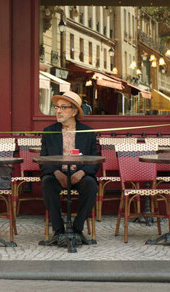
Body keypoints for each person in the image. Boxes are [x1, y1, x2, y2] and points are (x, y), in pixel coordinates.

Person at [39, 91, 99, 241]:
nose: (58, 111)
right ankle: (58, 230)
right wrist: (56, 173)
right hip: (57, 174)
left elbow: (95, 159)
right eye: (56, 107)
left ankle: (77, 229)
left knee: (91, 185)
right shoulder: (49, 132)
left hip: (79, 174)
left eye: (63, 107)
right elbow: (43, 159)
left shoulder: (87, 132)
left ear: (74, 111)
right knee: (47, 183)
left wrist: (82, 173)